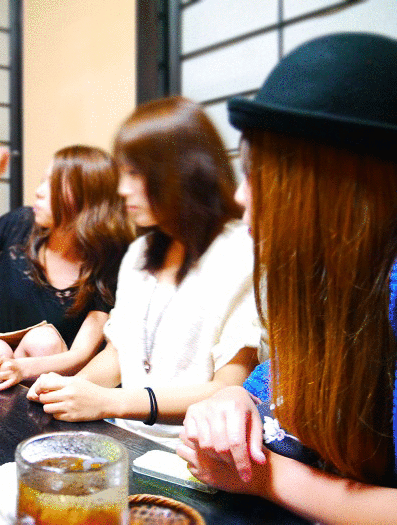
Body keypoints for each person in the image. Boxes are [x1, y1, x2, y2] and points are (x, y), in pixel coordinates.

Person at [177, 33, 397, 525]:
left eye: (256, 174)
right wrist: (233, 401)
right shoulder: (330, 282)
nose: (239, 196)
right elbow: (273, 381)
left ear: (324, 186)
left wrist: (263, 477)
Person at [27, 97, 262, 449]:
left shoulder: (240, 253)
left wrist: (111, 402)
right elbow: (118, 355)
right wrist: (70, 391)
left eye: (135, 173)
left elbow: (228, 387)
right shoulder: (140, 252)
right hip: (122, 438)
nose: (122, 189)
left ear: (182, 171)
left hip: (193, 451)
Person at [0, 145, 134, 391]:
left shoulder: (108, 258)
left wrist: (19, 368)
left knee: (43, 340)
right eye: (43, 181)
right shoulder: (22, 223)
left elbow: (82, 353)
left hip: (43, 368)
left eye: (53, 185)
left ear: (87, 200)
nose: (39, 192)